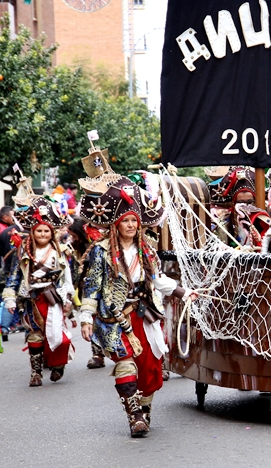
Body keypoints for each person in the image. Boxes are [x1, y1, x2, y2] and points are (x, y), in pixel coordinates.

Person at [78, 173, 196, 437]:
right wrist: (86, 317)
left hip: (145, 316)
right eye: (126, 221)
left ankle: (144, 409)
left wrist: (183, 292)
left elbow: (158, 280)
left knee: (151, 369)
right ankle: (134, 417)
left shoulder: (147, 250)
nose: (131, 225)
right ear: (116, 224)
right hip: (115, 318)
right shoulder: (101, 251)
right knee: (125, 364)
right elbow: (92, 286)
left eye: (134, 220)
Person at [3, 182, 75, 387]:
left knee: (59, 337)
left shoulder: (61, 252)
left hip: (54, 298)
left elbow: (66, 277)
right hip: (31, 299)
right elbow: (14, 277)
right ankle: (36, 373)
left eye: (46, 231)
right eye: (39, 231)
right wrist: (9, 296)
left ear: (52, 233)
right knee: (35, 336)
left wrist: (68, 297)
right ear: (32, 233)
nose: (42, 235)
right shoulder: (23, 253)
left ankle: (59, 364)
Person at [65, 217, 107, 369]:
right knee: (92, 320)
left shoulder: (99, 244)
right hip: (87, 290)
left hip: (105, 289)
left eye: (74, 236)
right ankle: (97, 354)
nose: (72, 239)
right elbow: (74, 271)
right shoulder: (76, 248)